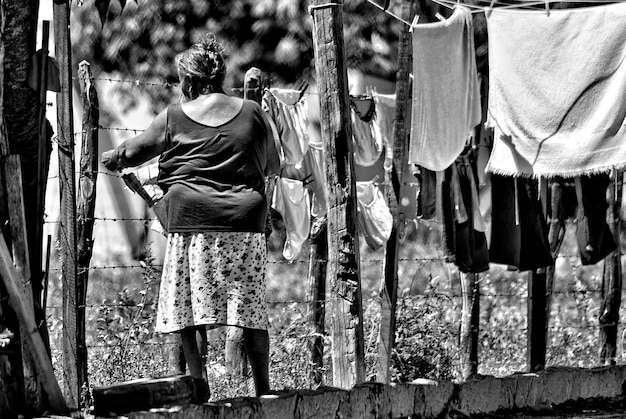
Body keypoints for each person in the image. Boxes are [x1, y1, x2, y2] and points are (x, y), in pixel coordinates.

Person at [101, 34, 280, 399]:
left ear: (191, 81)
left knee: (188, 306)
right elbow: (274, 163)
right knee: (249, 309)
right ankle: (264, 391)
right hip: (244, 223)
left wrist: (114, 156)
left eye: (181, 80)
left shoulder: (174, 116)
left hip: (192, 222)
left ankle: (199, 383)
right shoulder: (252, 112)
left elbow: (135, 153)